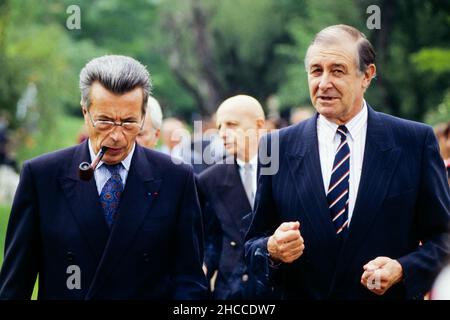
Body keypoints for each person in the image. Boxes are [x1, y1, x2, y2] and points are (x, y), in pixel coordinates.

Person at [245, 25, 450, 299]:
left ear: (367, 75)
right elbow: (251, 245)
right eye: (316, 71)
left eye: (337, 71)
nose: (324, 83)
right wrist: (271, 249)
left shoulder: (413, 142)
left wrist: (402, 268)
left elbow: (444, 239)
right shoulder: (276, 146)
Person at [0, 55, 207, 299]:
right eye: (105, 121)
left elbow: (190, 284)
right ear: (85, 112)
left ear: (143, 117)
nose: (117, 135)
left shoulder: (176, 178)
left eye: (129, 122)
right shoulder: (42, 176)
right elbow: (15, 286)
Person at [197, 95, 266, 299]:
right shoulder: (210, 179)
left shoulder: (286, 169)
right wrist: (202, 268)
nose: (223, 133)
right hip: (231, 292)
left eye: (231, 125)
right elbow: (211, 239)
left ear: (259, 125)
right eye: (219, 127)